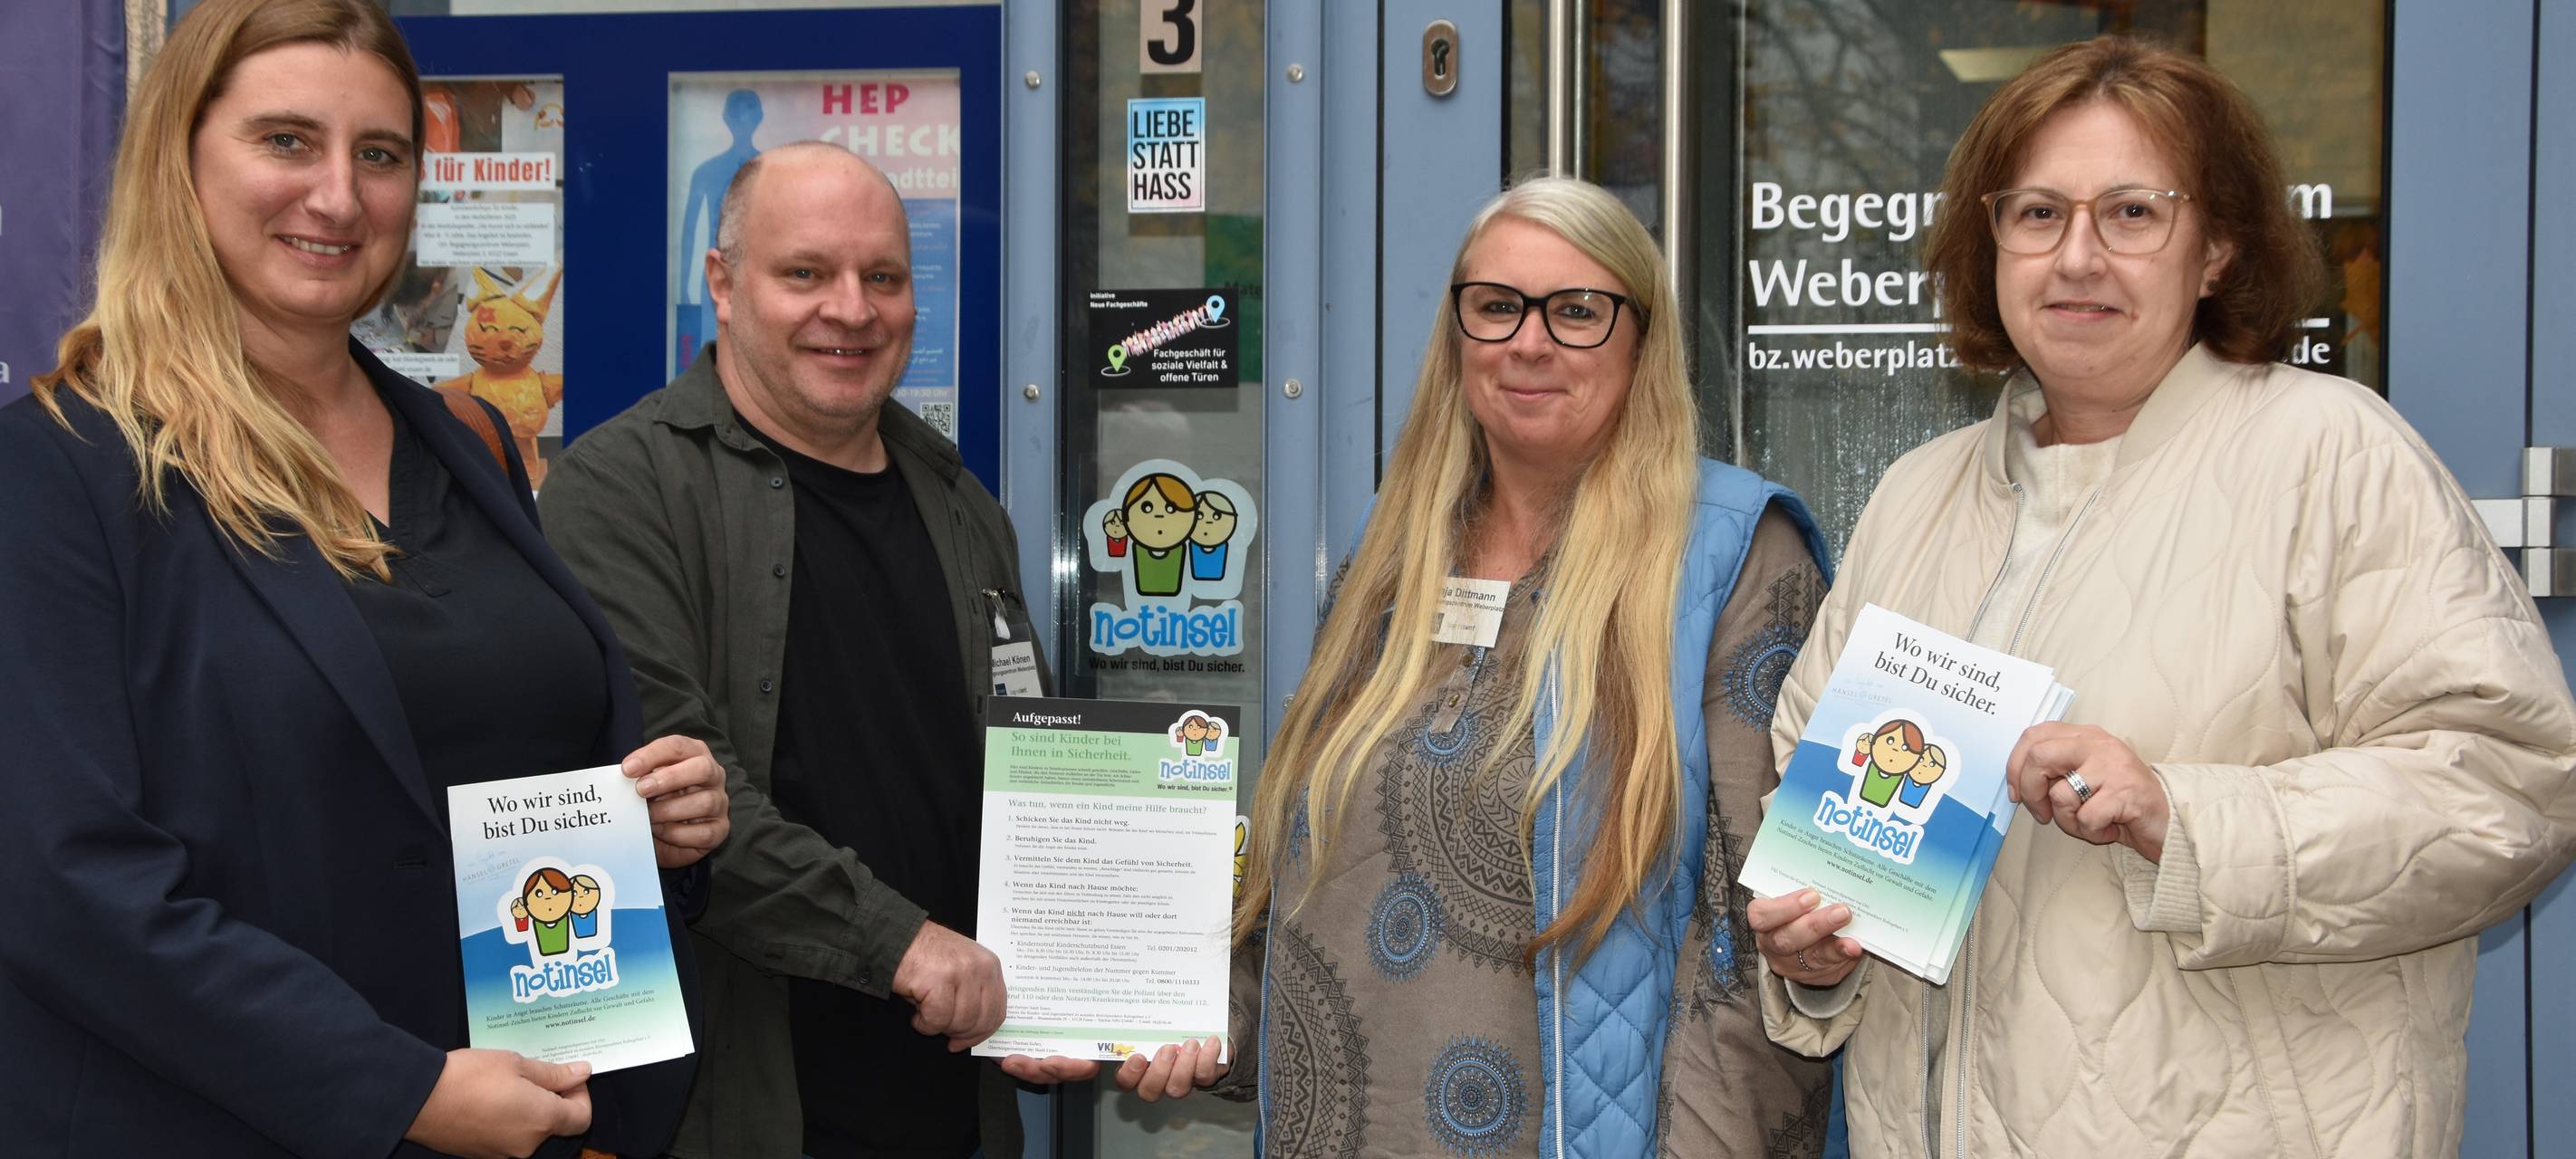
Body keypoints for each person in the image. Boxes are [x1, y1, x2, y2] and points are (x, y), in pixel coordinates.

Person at [1746, 36, 2576, 1157]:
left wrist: (2185, 818)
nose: (2077, 256)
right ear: (1988, 243)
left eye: (2131, 213)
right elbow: (1814, 805)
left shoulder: (2329, 454)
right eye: (2037, 213)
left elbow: (2508, 791)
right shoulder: (1917, 497)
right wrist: (1813, 953)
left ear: (2219, 247)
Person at [0, 2, 730, 1156]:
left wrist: (654, 831)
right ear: (177, 163)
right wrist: (398, 1089)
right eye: (286, 141)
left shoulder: (470, 443)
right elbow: (66, 886)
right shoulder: (62, 471)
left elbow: (488, 768)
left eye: (379, 155)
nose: (339, 196)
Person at [1021, 176, 1840, 1155]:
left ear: (1641, 336)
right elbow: (1318, 881)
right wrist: (1180, 1008)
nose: (1528, 342)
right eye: (1495, 307)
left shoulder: (1736, 553)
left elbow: (1758, 951)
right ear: (1458, 335)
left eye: (1577, 311)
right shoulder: (1396, 550)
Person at [540, 140, 1048, 1159]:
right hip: (743, 1109)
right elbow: (681, 799)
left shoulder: (961, 506)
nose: (852, 309)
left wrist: (1100, 965)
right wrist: (902, 943)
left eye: (885, 277)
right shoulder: (619, 490)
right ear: (723, 285)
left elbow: (1027, 772)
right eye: (806, 272)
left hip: (952, 1106)